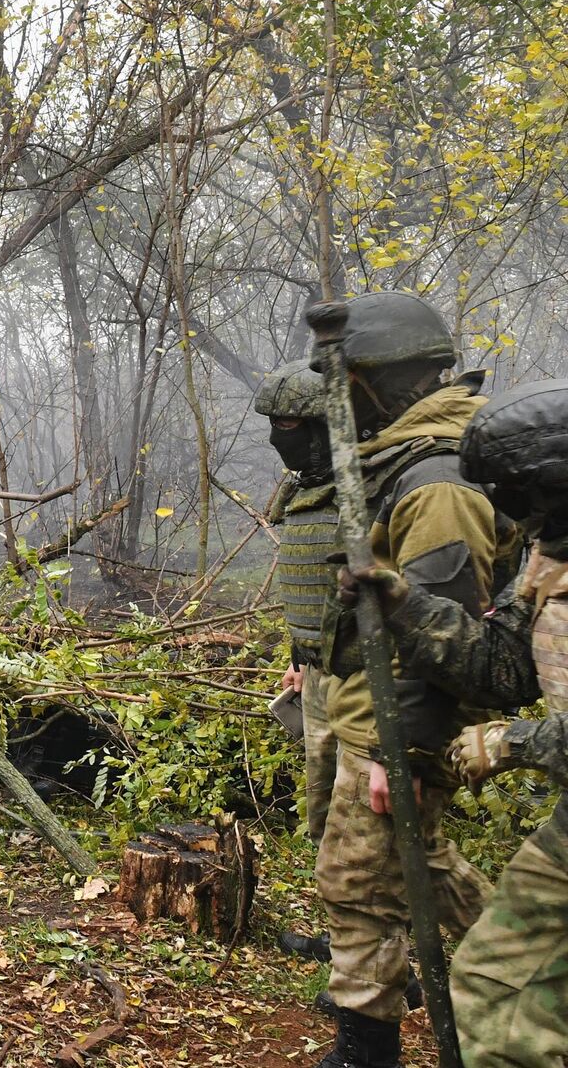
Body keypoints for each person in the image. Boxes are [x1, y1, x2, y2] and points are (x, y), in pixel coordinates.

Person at [305, 291, 518, 1068]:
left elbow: (449, 635)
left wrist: (412, 749)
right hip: (372, 708)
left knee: (360, 886)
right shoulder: (402, 460)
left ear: (377, 382)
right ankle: (527, 952)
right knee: (401, 866)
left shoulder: (436, 480)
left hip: (400, 719)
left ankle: (366, 1052)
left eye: (346, 384)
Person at [341, 378, 568, 1068]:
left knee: (504, 1001)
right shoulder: (549, 553)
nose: (506, 509)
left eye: (511, 489)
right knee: (495, 990)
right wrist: (404, 604)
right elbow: (503, 666)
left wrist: (511, 742)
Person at [254, 362, 339, 964]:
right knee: (326, 813)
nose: (278, 436)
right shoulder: (306, 486)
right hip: (322, 674)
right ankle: (350, 940)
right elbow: (311, 583)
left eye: (289, 424)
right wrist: (300, 660)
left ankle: (377, 958)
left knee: (372, 833)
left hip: (370, 683)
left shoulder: (377, 487)